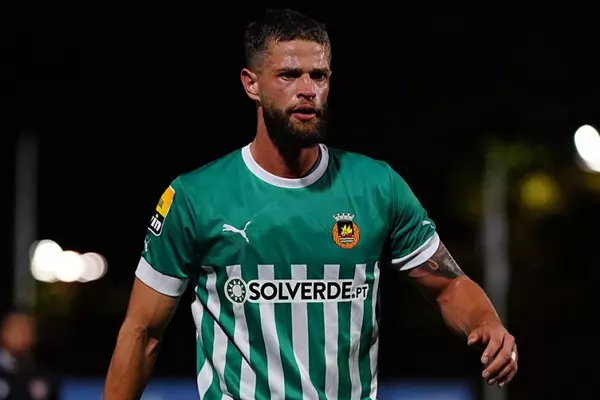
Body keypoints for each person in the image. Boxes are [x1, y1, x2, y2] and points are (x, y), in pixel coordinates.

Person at [104, 9, 518, 400]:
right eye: (288, 75)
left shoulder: (377, 186)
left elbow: (448, 284)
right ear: (251, 84)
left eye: (318, 75)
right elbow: (143, 332)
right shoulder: (196, 196)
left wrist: (487, 322)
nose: (308, 90)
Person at [0, 306, 59, 400]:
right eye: (17, 328)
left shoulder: (45, 375)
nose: (22, 334)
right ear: (3, 332)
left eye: (27, 329)